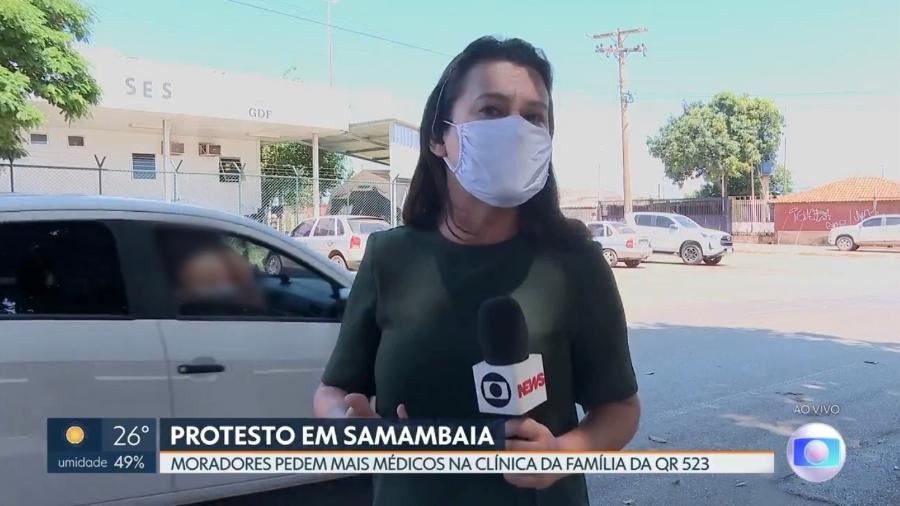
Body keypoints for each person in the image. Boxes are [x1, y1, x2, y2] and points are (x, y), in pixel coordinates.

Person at [313, 36, 640, 506]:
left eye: (534, 116)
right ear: (438, 137)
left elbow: (620, 408)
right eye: (491, 110)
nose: (516, 129)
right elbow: (333, 390)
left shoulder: (575, 263)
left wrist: (563, 454)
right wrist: (345, 425)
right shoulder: (389, 258)